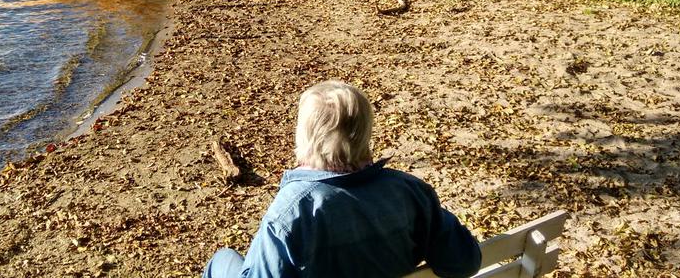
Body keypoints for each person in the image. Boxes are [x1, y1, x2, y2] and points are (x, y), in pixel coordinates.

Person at [203, 81, 482, 278]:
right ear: (366, 132)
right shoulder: (410, 191)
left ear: (304, 136)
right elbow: (463, 263)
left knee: (221, 261)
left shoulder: (291, 213)